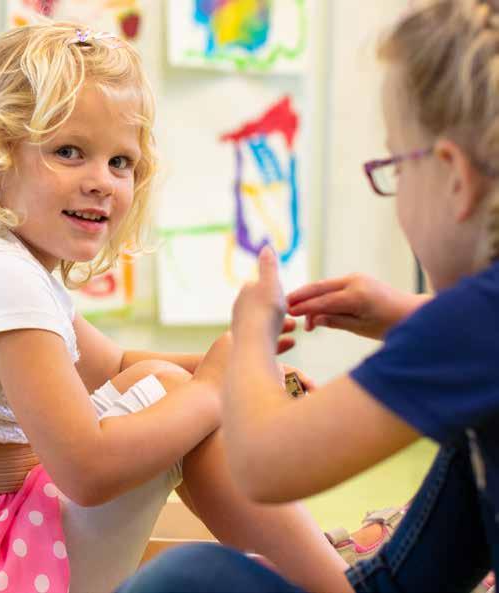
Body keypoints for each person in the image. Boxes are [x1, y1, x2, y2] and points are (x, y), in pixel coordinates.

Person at [0, 21, 351, 593]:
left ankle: (320, 570)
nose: (101, 181)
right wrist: (211, 389)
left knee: (163, 384)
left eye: (120, 162)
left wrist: (237, 373)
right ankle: (340, 582)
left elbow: (117, 364)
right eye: (69, 151)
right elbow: (86, 471)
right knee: (171, 393)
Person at [115, 0, 499, 591]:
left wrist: (249, 340)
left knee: (190, 577)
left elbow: (264, 464)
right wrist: (404, 316)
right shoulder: (475, 329)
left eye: (395, 166)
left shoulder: (474, 321)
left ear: (454, 177)